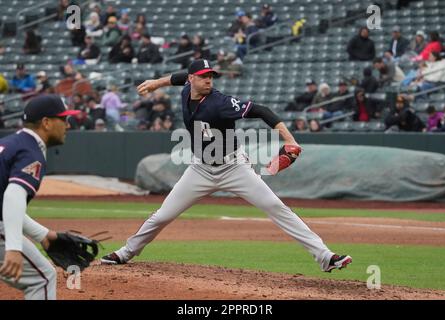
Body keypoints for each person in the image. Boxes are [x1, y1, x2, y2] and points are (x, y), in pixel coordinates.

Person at [101, 59, 352, 273]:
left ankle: (325, 257)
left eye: (211, 76)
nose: (209, 80)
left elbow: (262, 110)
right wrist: (157, 83)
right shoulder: (185, 89)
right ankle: (125, 252)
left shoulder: (219, 102)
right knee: (163, 215)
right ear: (192, 79)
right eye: (203, 76)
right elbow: (178, 77)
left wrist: (289, 139)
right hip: (199, 169)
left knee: (276, 206)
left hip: (234, 168)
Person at [0, 94, 80, 300]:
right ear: (46, 123)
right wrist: (13, 248)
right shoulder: (31, 152)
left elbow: (5, 207)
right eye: (63, 119)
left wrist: (43, 235)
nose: (67, 126)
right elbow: (12, 198)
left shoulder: (11, 143)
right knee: (42, 278)